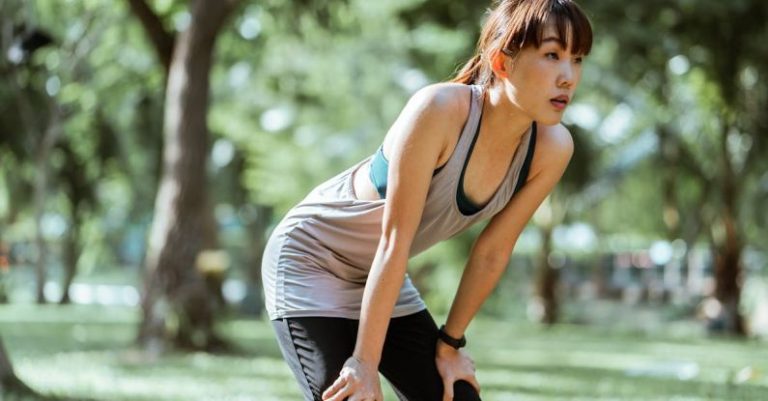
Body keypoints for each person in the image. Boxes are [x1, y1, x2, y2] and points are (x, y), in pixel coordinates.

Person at [262, 0, 593, 400]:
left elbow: (492, 252)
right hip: (311, 260)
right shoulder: (440, 110)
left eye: (577, 59)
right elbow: (394, 240)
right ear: (502, 62)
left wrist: (450, 345)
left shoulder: (551, 149)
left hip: (381, 275)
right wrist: (364, 362)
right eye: (552, 55)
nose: (568, 77)